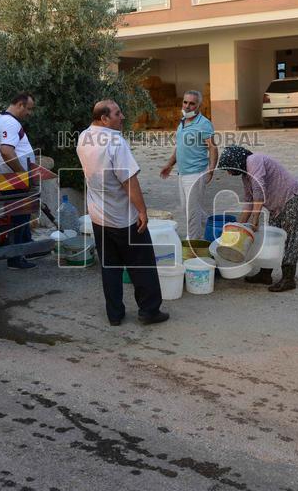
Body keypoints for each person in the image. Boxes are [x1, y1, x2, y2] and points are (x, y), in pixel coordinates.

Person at [77, 99, 169, 327]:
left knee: (110, 267)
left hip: (99, 216)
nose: (123, 116)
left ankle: (114, 314)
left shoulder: (84, 137)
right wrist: (142, 211)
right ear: (104, 118)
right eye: (118, 113)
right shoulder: (115, 142)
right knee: (142, 265)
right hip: (122, 218)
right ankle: (149, 311)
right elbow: (129, 180)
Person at [217, 145, 298, 291]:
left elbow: (259, 190)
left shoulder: (254, 160)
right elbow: (248, 201)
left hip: (292, 197)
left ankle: (288, 279)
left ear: (235, 161)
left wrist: (255, 219)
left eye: (228, 168)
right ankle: (265, 274)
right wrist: (237, 229)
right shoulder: (245, 175)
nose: (227, 172)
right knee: (271, 239)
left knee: (291, 238)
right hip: (276, 205)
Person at [160, 90, 218, 240]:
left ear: (199, 105)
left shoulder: (204, 124)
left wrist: (211, 170)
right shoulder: (182, 122)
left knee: (192, 213)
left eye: (192, 103)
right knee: (189, 209)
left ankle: (192, 244)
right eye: (185, 102)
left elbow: (212, 147)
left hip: (197, 173)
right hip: (182, 173)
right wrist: (170, 164)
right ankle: (216, 230)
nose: (187, 106)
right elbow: (180, 147)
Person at [0, 93, 37, 270]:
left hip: (7, 178)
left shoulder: (0, 119)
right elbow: (7, 151)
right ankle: (16, 259)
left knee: (22, 216)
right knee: (20, 218)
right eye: (29, 109)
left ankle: (26, 248)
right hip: (14, 180)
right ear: (19, 104)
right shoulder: (10, 123)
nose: (29, 113)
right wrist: (22, 175)